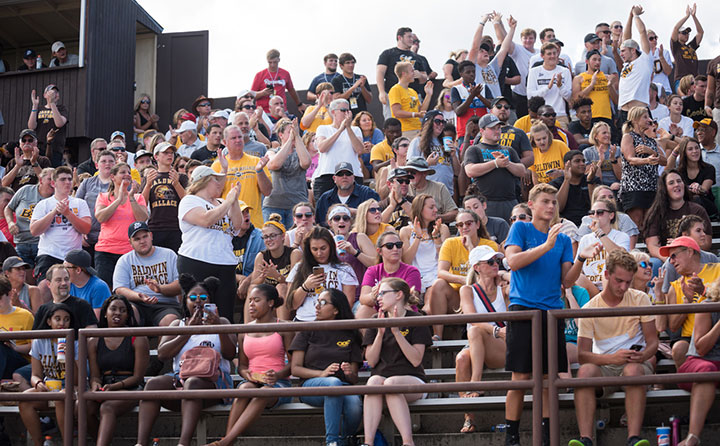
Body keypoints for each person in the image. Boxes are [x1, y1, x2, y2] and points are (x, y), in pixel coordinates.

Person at [503, 183, 600, 446]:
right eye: (545, 201)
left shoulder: (565, 239)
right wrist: (546, 245)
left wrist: (581, 258)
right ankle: (511, 437)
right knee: (520, 378)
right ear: (532, 205)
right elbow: (513, 262)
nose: (551, 206)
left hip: (552, 312)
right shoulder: (521, 228)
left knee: (548, 379)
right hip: (523, 309)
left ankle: (546, 438)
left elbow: (567, 282)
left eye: (554, 202)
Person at [569, 250, 658, 446]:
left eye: (628, 282)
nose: (623, 287)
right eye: (619, 280)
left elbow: (653, 342)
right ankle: (585, 439)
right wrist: (613, 359)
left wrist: (642, 355)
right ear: (607, 274)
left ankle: (633, 438)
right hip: (607, 366)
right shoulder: (590, 308)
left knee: (632, 370)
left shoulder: (640, 299)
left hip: (635, 364)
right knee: (584, 372)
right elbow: (583, 355)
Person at [136, 274, 235, 446]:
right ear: (185, 301)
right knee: (152, 384)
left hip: (214, 381)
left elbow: (230, 354)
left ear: (211, 301)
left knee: (193, 383)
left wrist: (218, 325)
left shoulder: (223, 322)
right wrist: (188, 331)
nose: (198, 301)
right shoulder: (177, 325)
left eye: (203, 298)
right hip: (180, 377)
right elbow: (162, 354)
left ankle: (184, 443)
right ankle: (141, 443)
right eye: (193, 297)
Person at [212, 284, 292, 446]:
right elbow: (241, 365)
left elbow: (293, 365)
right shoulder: (244, 330)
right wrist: (246, 374)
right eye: (249, 301)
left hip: (278, 384)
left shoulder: (284, 327)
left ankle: (226, 442)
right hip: (252, 381)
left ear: (270, 303)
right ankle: (227, 441)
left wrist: (276, 375)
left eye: (256, 300)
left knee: (263, 392)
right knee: (244, 389)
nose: (251, 305)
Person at [362, 277, 432, 446]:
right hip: (382, 380)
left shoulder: (416, 319)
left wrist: (396, 332)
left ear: (399, 295)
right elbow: (371, 361)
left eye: (383, 293)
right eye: (378, 294)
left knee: (391, 383)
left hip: (413, 379)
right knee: (373, 381)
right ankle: (368, 442)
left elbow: (416, 360)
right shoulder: (375, 320)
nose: (378, 298)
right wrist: (380, 334)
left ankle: (408, 443)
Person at [289, 288, 363, 446]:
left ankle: (344, 441)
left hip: (343, 386)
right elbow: (295, 369)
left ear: (336, 309)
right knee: (333, 383)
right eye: (317, 302)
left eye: (322, 303)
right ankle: (332, 442)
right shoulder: (306, 330)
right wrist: (321, 374)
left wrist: (349, 373)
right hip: (311, 386)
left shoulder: (351, 333)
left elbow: (354, 378)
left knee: (355, 405)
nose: (317, 306)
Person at [177, 167, 243, 322]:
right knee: (195, 311)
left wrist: (233, 202)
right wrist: (228, 201)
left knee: (225, 313)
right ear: (204, 180)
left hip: (225, 263)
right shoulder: (189, 200)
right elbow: (206, 220)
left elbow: (237, 226)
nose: (221, 183)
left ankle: (225, 345)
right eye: (216, 179)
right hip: (196, 261)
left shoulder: (221, 203)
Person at [454, 245, 508, 433]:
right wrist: (496, 331)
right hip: (488, 340)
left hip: (502, 346)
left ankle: (476, 383)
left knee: (475, 331)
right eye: (491, 262)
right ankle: (468, 417)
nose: (496, 265)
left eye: (497, 261)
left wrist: (507, 276)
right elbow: (471, 317)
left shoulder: (504, 288)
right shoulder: (467, 290)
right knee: (461, 358)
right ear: (477, 267)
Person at [427, 209, 499, 339]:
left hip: (483, 296)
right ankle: (438, 335)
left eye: (468, 223)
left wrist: (471, 248)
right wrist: (465, 280)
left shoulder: (490, 245)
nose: (464, 227)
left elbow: (485, 274)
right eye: (460, 225)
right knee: (438, 284)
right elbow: (441, 272)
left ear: (477, 225)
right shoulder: (450, 243)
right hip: (457, 297)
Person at [87, 295, 149, 446]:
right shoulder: (94, 340)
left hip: (130, 386)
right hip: (105, 385)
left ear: (128, 315)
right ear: (105, 313)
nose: (117, 313)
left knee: (107, 407)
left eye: (122, 310)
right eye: (113, 309)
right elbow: (95, 376)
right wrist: (96, 385)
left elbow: (138, 377)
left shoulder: (138, 337)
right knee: (81, 408)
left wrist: (114, 388)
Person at [18, 302, 76, 446]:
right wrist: (38, 383)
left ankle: (67, 443)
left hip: (72, 387)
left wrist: (69, 356)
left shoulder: (75, 342)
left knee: (61, 397)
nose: (62, 323)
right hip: (49, 385)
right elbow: (35, 374)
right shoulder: (39, 341)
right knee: (25, 399)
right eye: (58, 319)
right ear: (49, 321)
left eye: (66, 319)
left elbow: (77, 379)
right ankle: (39, 442)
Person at [660, 236, 720, 371]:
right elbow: (674, 327)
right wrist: (688, 301)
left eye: (674, 256)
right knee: (679, 348)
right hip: (691, 340)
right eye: (670, 258)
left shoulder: (718, 270)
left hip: (717, 332)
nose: (671, 261)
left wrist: (703, 291)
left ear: (690, 251)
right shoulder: (674, 287)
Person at [675, 280, 720, 446]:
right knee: (707, 370)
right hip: (699, 362)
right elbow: (701, 349)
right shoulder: (707, 305)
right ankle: (692, 438)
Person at [29, 166, 91, 282]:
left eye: (69, 179)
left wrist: (68, 214)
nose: (67, 182)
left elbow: (86, 229)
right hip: (48, 254)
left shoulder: (80, 203)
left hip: (73, 256)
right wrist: (53, 213)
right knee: (44, 287)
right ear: (53, 183)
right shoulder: (44, 204)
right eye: (63, 179)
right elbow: (34, 231)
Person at [464, 114, 527, 221]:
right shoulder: (474, 149)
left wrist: (507, 163)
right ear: (482, 131)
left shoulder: (509, 150)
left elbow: (522, 171)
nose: (497, 131)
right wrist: (495, 163)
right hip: (487, 203)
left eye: (498, 128)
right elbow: (470, 171)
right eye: (492, 128)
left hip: (510, 201)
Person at [287, 227, 358, 321]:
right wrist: (305, 287)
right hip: (304, 321)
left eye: (323, 248)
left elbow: (348, 303)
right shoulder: (299, 268)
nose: (319, 253)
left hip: (332, 322)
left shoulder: (344, 269)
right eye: (314, 249)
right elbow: (292, 305)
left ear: (331, 247)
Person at [94, 163, 148, 286]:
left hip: (130, 251)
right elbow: (101, 217)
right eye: (123, 172)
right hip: (106, 251)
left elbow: (142, 218)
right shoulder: (103, 197)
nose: (127, 175)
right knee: (106, 288)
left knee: (130, 288)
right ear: (113, 177)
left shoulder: (138, 197)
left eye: (129, 173)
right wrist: (118, 199)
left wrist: (131, 197)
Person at [643, 169, 711, 263]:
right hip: (666, 257)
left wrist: (682, 245)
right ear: (665, 189)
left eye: (679, 181)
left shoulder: (697, 210)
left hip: (692, 255)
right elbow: (652, 246)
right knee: (655, 263)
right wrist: (669, 260)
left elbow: (707, 242)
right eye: (671, 183)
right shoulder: (655, 213)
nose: (676, 184)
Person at [211, 125, 271, 228]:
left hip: (254, 224)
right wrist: (224, 170)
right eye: (233, 138)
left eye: (240, 137)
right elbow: (214, 195)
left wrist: (260, 170)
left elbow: (267, 191)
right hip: (227, 224)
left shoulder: (256, 161)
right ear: (224, 142)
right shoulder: (218, 165)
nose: (238, 140)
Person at [358, 232, 421, 319]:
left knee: (402, 308)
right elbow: (363, 299)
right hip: (379, 311)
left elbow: (411, 299)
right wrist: (373, 295)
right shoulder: (372, 270)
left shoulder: (411, 271)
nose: (395, 249)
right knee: (363, 310)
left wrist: (386, 293)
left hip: (403, 311)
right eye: (389, 246)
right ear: (379, 251)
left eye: (398, 245)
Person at [250, 215, 301, 321]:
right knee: (252, 289)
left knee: (281, 286)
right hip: (268, 298)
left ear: (283, 236)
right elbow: (254, 283)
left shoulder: (294, 253)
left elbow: (294, 284)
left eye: (273, 236)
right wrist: (262, 277)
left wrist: (276, 276)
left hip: (289, 296)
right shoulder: (261, 256)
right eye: (265, 237)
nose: (269, 240)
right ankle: (247, 332)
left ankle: (283, 330)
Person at [620, 106, 665, 227]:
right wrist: (647, 160)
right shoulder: (628, 137)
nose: (649, 120)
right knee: (637, 223)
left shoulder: (652, 141)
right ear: (635, 119)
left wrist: (652, 152)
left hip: (652, 187)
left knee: (652, 223)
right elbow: (630, 159)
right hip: (634, 187)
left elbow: (664, 161)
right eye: (645, 117)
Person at [263, 118, 311, 229]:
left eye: (295, 131)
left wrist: (297, 137)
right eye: (290, 132)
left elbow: (306, 163)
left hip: (297, 205)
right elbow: (274, 164)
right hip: (274, 205)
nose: (293, 134)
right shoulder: (272, 151)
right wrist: (290, 141)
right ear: (281, 135)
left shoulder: (299, 152)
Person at [313, 99, 366, 200]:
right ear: (333, 112)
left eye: (348, 111)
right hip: (328, 174)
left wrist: (348, 128)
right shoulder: (323, 129)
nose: (347, 113)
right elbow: (322, 147)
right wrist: (341, 129)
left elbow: (359, 150)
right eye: (343, 110)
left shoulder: (356, 130)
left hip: (352, 174)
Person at [576, 199, 631, 295]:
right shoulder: (585, 239)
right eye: (592, 213)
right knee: (579, 279)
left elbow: (622, 258)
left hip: (613, 285)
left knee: (607, 278)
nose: (596, 216)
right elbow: (578, 270)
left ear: (611, 215)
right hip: (591, 288)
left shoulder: (621, 236)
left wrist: (599, 233)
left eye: (600, 212)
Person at [5, 168, 54, 277]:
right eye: (50, 179)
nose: (53, 183)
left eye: (55, 180)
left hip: (42, 245)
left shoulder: (56, 198)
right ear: (41, 180)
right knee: (23, 278)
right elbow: (8, 208)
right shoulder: (26, 190)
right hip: (21, 242)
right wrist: (10, 223)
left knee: (42, 279)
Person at [398, 194, 450, 294]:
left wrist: (436, 237)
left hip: (437, 276)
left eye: (435, 207)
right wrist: (418, 236)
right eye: (431, 207)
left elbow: (445, 258)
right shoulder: (406, 231)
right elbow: (406, 261)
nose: (435, 210)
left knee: (433, 291)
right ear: (420, 210)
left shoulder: (442, 228)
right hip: (415, 276)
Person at [141, 142, 187, 252]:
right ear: (156, 156)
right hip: (155, 227)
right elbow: (142, 203)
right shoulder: (150, 177)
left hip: (176, 227)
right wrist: (147, 185)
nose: (170, 155)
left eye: (171, 153)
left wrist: (176, 184)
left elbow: (187, 200)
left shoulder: (181, 177)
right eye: (165, 153)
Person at [376, 27, 429, 119]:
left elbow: (424, 78)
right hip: (394, 94)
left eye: (412, 38)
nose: (411, 40)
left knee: (416, 121)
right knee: (393, 123)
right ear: (400, 37)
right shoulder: (388, 54)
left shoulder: (417, 58)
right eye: (409, 37)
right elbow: (380, 73)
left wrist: (419, 75)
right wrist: (381, 92)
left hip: (413, 95)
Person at [408, 111, 459, 197]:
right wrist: (427, 164)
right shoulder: (417, 142)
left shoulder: (446, 142)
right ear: (428, 123)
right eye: (438, 121)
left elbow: (457, 172)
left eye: (443, 122)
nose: (441, 125)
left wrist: (454, 156)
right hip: (426, 194)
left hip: (447, 192)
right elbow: (410, 169)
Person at [617, 6, 653, 122]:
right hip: (624, 112)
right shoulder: (626, 64)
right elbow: (626, 39)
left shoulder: (644, 59)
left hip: (640, 111)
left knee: (646, 140)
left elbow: (642, 33)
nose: (621, 54)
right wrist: (630, 16)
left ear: (633, 50)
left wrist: (636, 16)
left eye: (623, 51)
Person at [315, 162, 380, 227]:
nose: (344, 177)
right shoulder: (325, 198)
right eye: (340, 174)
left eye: (348, 174)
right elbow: (320, 223)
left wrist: (356, 212)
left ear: (353, 177)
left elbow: (378, 215)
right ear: (334, 178)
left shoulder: (367, 193)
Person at [576, 186, 640, 251]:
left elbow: (630, 252)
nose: (608, 199)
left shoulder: (624, 219)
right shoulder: (587, 220)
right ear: (595, 201)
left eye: (611, 197)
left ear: (611, 215)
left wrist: (599, 232)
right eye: (603, 197)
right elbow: (582, 251)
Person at [549, 150, 601, 227]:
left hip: (589, 222)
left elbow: (597, 207)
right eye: (577, 161)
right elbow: (558, 208)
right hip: (565, 224)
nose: (582, 164)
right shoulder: (556, 183)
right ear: (568, 164)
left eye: (583, 161)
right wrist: (567, 180)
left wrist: (590, 181)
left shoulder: (593, 179)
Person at [667, 137, 717, 216]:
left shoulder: (709, 168)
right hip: (684, 204)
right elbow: (667, 171)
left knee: (696, 199)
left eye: (697, 148)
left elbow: (704, 189)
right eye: (690, 149)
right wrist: (676, 151)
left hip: (705, 204)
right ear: (684, 152)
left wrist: (698, 187)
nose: (695, 151)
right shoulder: (679, 171)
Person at [527, 42, 573, 128]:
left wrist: (560, 86)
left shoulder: (565, 71)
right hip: (540, 116)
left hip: (559, 115)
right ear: (542, 56)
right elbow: (530, 96)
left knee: (562, 140)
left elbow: (569, 97)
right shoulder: (534, 71)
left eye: (554, 53)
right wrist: (548, 87)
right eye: (549, 54)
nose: (552, 56)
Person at [572, 51, 618, 133]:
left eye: (599, 60)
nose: (597, 62)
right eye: (594, 59)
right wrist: (591, 85)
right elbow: (576, 99)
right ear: (587, 61)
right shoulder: (579, 78)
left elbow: (616, 101)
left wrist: (610, 86)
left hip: (606, 116)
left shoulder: (607, 77)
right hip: (589, 117)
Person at [405, 157, 458, 224]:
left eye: (413, 172)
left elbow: (455, 213)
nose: (409, 175)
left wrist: (435, 217)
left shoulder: (439, 188)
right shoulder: (404, 187)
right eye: (407, 172)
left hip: (435, 229)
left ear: (424, 173)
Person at [0, 275, 33, 379]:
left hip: (20, 361)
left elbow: (34, 347)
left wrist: (14, 347)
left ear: (9, 294)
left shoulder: (25, 315)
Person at [251, 49, 305, 113]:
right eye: (270, 62)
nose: (272, 65)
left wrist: (299, 104)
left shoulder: (285, 73)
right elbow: (251, 95)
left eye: (275, 62)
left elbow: (291, 90)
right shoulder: (259, 75)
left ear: (279, 60)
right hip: (265, 112)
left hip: (281, 111)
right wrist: (262, 93)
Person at [389, 62, 433, 139]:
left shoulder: (412, 91)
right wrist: (416, 114)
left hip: (418, 129)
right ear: (404, 73)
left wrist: (428, 95)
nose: (414, 73)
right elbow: (397, 112)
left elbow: (421, 110)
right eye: (412, 71)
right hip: (405, 131)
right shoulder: (395, 89)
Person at [27, 85, 68, 167]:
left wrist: (52, 103)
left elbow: (59, 123)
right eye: (51, 92)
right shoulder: (40, 109)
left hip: (55, 148)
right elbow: (31, 126)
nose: (54, 94)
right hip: (39, 147)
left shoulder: (61, 108)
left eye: (56, 92)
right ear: (45, 95)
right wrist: (34, 106)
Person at [451, 61, 491, 143]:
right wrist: (472, 95)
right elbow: (458, 111)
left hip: (483, 131)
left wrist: (479, 96)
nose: (472, 74)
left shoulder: (483, 87)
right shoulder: (456, 89)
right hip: (465, 133)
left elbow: (492, 106)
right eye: (468, 72)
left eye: (473, 72)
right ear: (461, 74)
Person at [63, 249, 110, 317]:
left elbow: (96, 321)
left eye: (66, 268)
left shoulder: (99, 287)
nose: (63, 271)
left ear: (78, 270)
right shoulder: (67, 285)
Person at [670, 4, 704, 87]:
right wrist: (686, 16)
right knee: (683, 99)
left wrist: (694, 16)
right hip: (681, 80)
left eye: (688, 33)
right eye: (684, 33)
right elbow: (675, 28)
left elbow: (700, 32)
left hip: (695, 81)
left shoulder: (691, 46)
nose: (687, 35)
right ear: (677, 35)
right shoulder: (676, 46)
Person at [583, 122, 622, 190]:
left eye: (608, 133)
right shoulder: (587, 152)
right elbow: (590, 178)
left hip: (615, 184)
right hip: (597, 186)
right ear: (595, 136)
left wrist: (613, 159)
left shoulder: (617, 150)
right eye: (604, 133)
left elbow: (620, 176)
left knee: (616, 186)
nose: (607, 135)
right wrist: (600, 162)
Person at [332, 52, 372, 118]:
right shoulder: (336, 80)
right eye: (348, 63)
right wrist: (353, 87)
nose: (351, 65)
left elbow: (369, 100)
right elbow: (337, 100)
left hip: (361, 115)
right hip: (345, 115)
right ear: (341, 65)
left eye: (352, 62)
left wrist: (362, 87)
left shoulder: (361, 78)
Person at [352, 111, 384, 176]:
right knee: (359, 160)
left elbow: (383, 149)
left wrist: (373, 147)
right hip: (363, 166)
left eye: (369, 120)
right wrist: (361, 150)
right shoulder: (355, 133)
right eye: (364, 120)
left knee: (378, 161)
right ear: (359, 123)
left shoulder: (377, 132)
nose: (367, 122)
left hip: (374, 164)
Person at [696, 119, 720, 186]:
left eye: (702, 130)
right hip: (697, 194)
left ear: (713, 132)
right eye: (698, 130)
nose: (699, 133)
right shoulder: (693, 152)